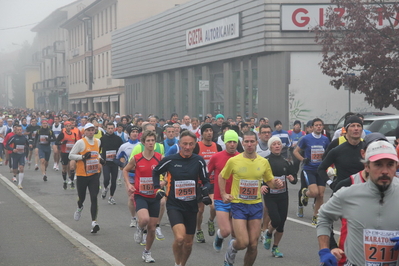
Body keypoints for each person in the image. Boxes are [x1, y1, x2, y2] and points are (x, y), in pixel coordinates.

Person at [317, 140, 399, 266]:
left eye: (390, 165)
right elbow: (323, 216)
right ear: (367, 166)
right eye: (378, 164)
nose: (385, 171)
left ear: (396, 166)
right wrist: (325, 249)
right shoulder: (348, 194)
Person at [220, 131, 284, 266]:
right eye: (247, 142)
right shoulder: (234, 161)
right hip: (239, 204)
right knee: (243, 242)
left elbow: (269, 181)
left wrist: (276, 184)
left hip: (255, 205)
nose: (249, 145)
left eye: (252, 142)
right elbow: (222, 176)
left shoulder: (263, 162)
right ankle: (232, 248)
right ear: (242, 143)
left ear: (256, 143)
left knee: (253, 245)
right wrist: (224, 194)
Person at [152, 130, 211, 266]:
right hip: (174, 205)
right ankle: (177, 263)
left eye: (191, 144)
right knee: (180, 238)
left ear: (195, 144)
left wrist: (205, 190)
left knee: (189, 243)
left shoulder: (199, 161)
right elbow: (155, 171)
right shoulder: (171, 160)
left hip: (191, 206)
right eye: (185, 144)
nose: (188, 147)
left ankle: (182, 264)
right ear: (180, 144)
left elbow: (206, 181)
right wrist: (157, 188)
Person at [123, 130, 162, 263]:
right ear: (143, 142)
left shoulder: (159, 158)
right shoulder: (137, 158)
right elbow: (125, 170)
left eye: (153, 140)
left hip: (154, 196)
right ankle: (139, 228)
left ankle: (147, 252)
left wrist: (164, 182)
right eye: (148, 141)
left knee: (152, 228)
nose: (151, 143)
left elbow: (168, 174)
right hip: (141, 195)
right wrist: (129, 184)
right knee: (144, 219)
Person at [262, 136, 297, 258]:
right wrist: (262, 186)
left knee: (281, 223)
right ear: (270, 147)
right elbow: (259, 176)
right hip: (270, 196)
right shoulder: (265, 161)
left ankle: (275, 248)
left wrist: (292, 179)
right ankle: (268, 232)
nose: (277, 146)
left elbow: (294, 177)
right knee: (275, 220)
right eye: (274, 144)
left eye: (278, 144)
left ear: (281, 146)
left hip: (283, 195)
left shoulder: (286, 162)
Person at [293, 118, 330, 226]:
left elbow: (329, 153)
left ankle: (316, 217)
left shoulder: (325, 140)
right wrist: (303, 159)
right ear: (312, 127)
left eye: (320, 125)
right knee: (314, 193)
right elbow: (295, 151)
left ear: (322, 127)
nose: (318, 127)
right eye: (316, 125)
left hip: (321, 170)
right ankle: (305, 193)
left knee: (321, 195)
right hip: (309, 169)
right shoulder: (306, 139)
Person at [69, 123, 104, 233]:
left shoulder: (98, 142)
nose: (90, 132)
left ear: (95, 131)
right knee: (82, 197)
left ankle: (94, 222)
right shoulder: (80, 143)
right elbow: (71, 155)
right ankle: (79, 207)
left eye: (92, 130)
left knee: (94, 197)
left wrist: (101, 159)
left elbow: (96, 154)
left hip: (94, 174)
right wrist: (82, 157)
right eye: (88, 130)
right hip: (82, 175)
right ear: (84, 132)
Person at [208, 130, 240, 252]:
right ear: (225, 143)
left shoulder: (241, 157)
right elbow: (207, 175)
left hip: (236, 198)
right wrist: (206, 190)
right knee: (226, 231)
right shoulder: (216, 157)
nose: (232, 144)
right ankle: (220, 236)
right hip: (220, 198)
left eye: (234, 142)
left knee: (235, 233)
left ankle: (230, 255)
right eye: (229, 142)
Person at [193, 123, 222, 242]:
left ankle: (210, 220)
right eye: (206, 131)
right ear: (202, 133)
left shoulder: (217, 147)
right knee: (200, 210)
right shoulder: (197, 146)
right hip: (200, 182)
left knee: (214, 206)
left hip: (213, 182)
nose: (209, 133)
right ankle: (199, 229)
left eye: (211, 130)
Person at [115, 125, 141, 227]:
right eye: (133, 132)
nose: (135, 133)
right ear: (129, 134)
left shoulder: (142, 145)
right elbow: (117, 159)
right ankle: (133, 218)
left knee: (140, 197)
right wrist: (123, 165)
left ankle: (140, 217)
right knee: (131, 197)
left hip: (140, 176)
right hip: (129, 175)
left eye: (136, 131)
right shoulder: (124, 146)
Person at [100, 123, 123, 205]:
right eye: (109, 128)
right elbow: (98, 149)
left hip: (114, 162)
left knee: (114, 181)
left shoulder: (118, 139)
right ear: (106, 129)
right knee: (106, 179)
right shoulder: (102, 139)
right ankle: (105, 188)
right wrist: (100, 158)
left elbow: (122, 149)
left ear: (114, 129)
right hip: (106, 162)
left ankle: (111, 197)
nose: (110, 130)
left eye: (112, 128)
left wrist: (120, 159)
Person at [55, 121, 79, 189]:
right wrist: (62, 142)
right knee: (64, 168)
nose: (68, 127)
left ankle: (71, 181)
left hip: (71, 153)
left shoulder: (74, 134)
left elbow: (76, 143)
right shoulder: (62, 134)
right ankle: (64, 181)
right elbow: (56, 142)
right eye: (67, 126)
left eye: (69, 126)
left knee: (72, 167)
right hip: (64, 153)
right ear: (65, 127)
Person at [6, 125, 29, 189]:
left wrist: (27, 151)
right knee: (15, 169)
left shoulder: (24, 138)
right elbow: (7, 145)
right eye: (18, 130)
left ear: (22, 130)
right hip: (15, 155)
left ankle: (20, 184)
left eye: (20, 130)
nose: (19, 131)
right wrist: (12, 149)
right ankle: (14, 176)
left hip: (22, 155)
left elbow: (27, 145)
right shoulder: (13, 137)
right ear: (15, 130)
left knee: (21, 168)